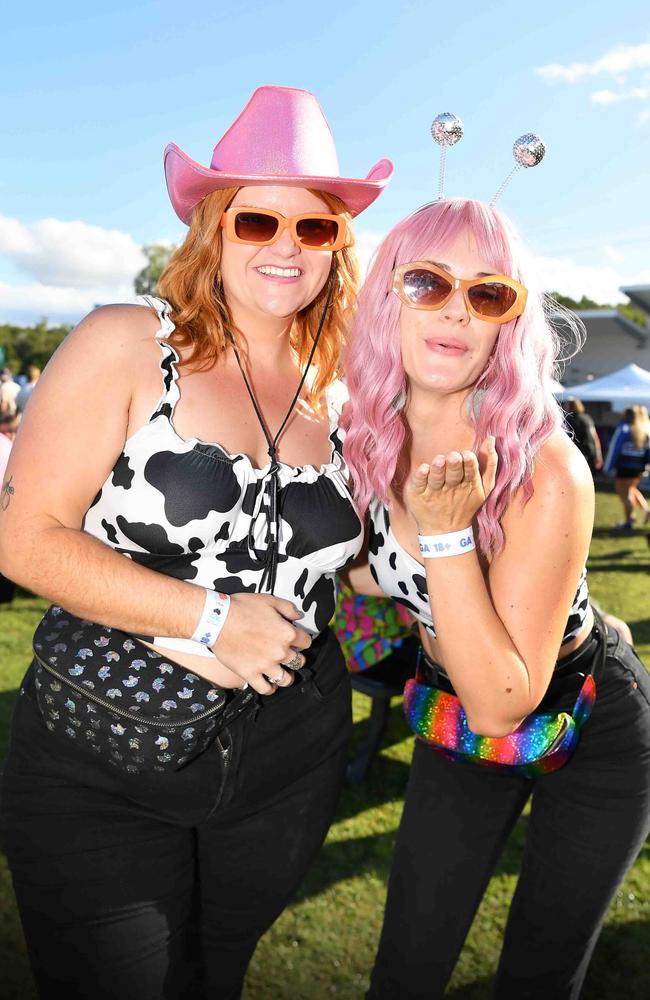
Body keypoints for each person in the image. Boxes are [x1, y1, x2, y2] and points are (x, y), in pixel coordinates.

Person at [0, 85, 392, 1000]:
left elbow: (358, 566)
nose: (287, 248)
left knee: (217, 977)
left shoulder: (346, 396)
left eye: (315, 227)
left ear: (341, 246)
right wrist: (211, 618)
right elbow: (23, 536)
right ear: (214, 228)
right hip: (104, 751)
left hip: (288, 762)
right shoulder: (129, 343)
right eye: (258, 221)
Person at [342, 196, 650, 998]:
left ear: (510, 319)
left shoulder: (546, 465)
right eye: (426, 283)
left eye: (488, 292)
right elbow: (376, 574)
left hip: (594, 727)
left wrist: (447, 535)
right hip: (454, 706)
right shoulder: (363, 432)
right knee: (405, 965)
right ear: (386, 295)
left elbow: (502, 708)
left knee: (539, 978)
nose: (455, 310)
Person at [603, 403, 650, 529]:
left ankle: (629, 521)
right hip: (638, 468)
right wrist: (646, 467)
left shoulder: (624, 429)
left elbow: (615, 449)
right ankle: (645, 509)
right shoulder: (645, 430)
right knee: (631, 489)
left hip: (625, 467)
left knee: (624, 493)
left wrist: (607, 467)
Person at [562, 397, 603, 475]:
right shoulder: (588, 418)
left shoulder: (568, 420)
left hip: (575, 453)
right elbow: (595, 437)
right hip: (589, 452)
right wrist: (598, 454)